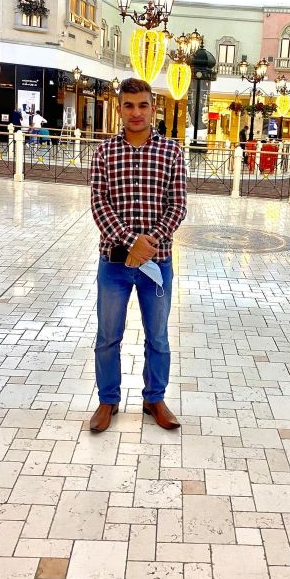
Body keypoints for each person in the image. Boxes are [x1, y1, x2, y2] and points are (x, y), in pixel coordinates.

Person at [89, 78, 187, 433]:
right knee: (108, 336)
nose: (136, 112)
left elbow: (178, 206)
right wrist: (132, 242)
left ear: (153, 108)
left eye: (143, 105)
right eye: (129, 105)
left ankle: (154, 399)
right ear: (119, 109)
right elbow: (99, 205)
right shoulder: (104, 152)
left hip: (157, 264)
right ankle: (108, 400)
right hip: (113, 263)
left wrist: (151, 242)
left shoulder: (171, 152)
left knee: (157, 337)